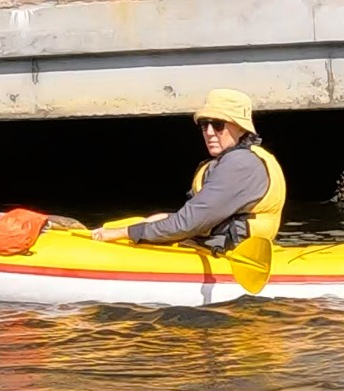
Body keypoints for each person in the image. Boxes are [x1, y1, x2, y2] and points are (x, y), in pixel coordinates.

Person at [95, 89, 286, 276]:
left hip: (237, 256)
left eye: (218, 125)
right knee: (149, 220)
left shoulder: (241, 165)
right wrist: (151, 222)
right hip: (214, 246)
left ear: (241, 128)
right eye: (204, 124)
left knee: (133, 229)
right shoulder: (232, 160)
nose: (209, 132)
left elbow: (186, 225)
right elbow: (191, 220)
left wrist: (123, 233)